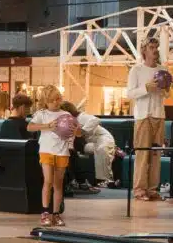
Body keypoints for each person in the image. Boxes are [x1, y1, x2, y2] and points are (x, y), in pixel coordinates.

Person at [28, 85, 81, 228]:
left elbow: (78, 133)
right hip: (46, 151)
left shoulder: (66, 114)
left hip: (62, 152)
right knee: (48, 181)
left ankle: (56, 214)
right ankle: (45, 213)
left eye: (58, 99)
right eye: (52, 100)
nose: (56, 102)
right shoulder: (42, 114)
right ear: (46, 101)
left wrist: (76, 131)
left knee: (58, 184)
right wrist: (47, 126)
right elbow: (30, 127)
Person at [126, 36, 167, 201]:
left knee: (156, 155)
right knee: (142, 154)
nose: (155, 50)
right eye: (151, 47)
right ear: (144, 50)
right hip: (143, 117)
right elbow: (130, 93)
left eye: (156, 47)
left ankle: (152, 189)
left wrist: (165, 89)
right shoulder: (136, 70)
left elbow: (166, 94)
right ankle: (139, 190)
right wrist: (146, 88)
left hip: (159, 115)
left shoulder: (163, 69)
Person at [62, 102, 116, 191]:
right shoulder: (67, 122)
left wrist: (82, 131)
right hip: (90, 143)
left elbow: (96, 120)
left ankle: (105, 180)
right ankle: (75, 181)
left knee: (101, 149)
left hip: (103, 139)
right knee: (71, 152)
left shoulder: (81, 116)